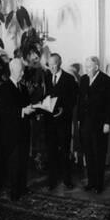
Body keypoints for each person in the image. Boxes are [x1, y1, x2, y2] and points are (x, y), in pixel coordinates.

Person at [0, 58, 35, 200]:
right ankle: (14, 192)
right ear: (12, 71)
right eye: (21, 71)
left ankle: (23, 187)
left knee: (24, 160)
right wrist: (22, 111)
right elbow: (5, 111)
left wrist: (35, 108)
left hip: (24, 130)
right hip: (12, 132)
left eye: (23, 70)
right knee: (14, 163)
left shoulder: (23, 87)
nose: (23, 73)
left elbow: (26, 105)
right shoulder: (4, 88)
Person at [78, 56, 110, 193]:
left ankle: (99, 184)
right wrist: (80, 121)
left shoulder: (107, 81)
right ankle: (91, 182)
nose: (86, 69)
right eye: (85, 66)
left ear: (96, 67)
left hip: (100, 125)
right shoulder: (84, 79)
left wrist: (107, 123)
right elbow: (81, 101)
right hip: (86, 125)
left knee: (99, 154)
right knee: (89, 154)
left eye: (89, 67)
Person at [44, 53, 78, 190]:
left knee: (65, 151)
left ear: (60, 63)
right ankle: (52, 180)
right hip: (50, 122)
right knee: (51, 151)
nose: (52, 67)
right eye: (50, 64)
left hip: (63, 122)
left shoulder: (69, 79)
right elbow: (45, 97)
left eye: (54, 64)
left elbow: (74, 100)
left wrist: (64, 110)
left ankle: (67, 179)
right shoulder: (46, 78)